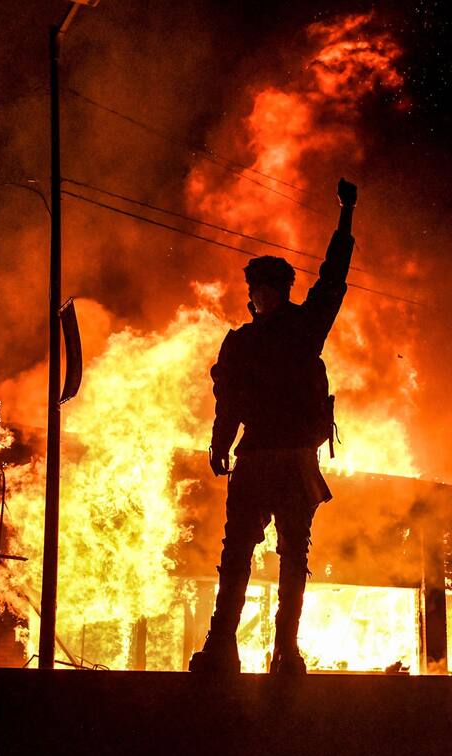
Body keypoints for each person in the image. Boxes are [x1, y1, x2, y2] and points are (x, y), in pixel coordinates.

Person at [189, 178, 357, 676]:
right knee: (255, 555)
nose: (261, 295)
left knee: (270, 555)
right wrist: (220, 443)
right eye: (259, 288)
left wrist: (346, 215)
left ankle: (272, 648)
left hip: (279, 459)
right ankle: (240, 646)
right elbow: (228, 400)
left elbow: (333, 277)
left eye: (267, 288)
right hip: (270, 458)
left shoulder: (286, 331)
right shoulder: (266, 337)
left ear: (275, 292)